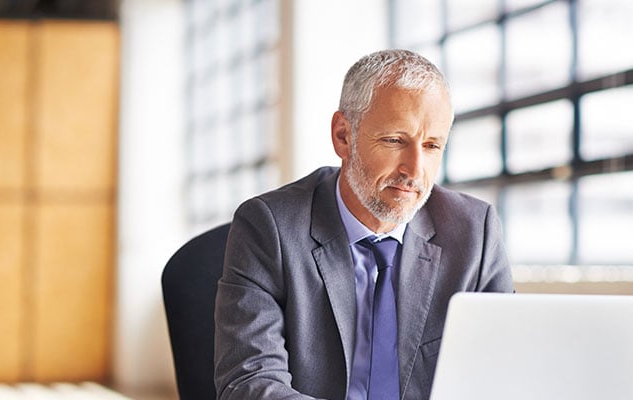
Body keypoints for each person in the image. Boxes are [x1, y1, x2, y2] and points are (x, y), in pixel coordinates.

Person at [213, 49, 513, 400]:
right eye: (395, 140)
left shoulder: (475, 232)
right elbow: (249, 383)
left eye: (432, 146)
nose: (415, 170)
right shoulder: (269, 227)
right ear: (343, 135)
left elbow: (502, 374)